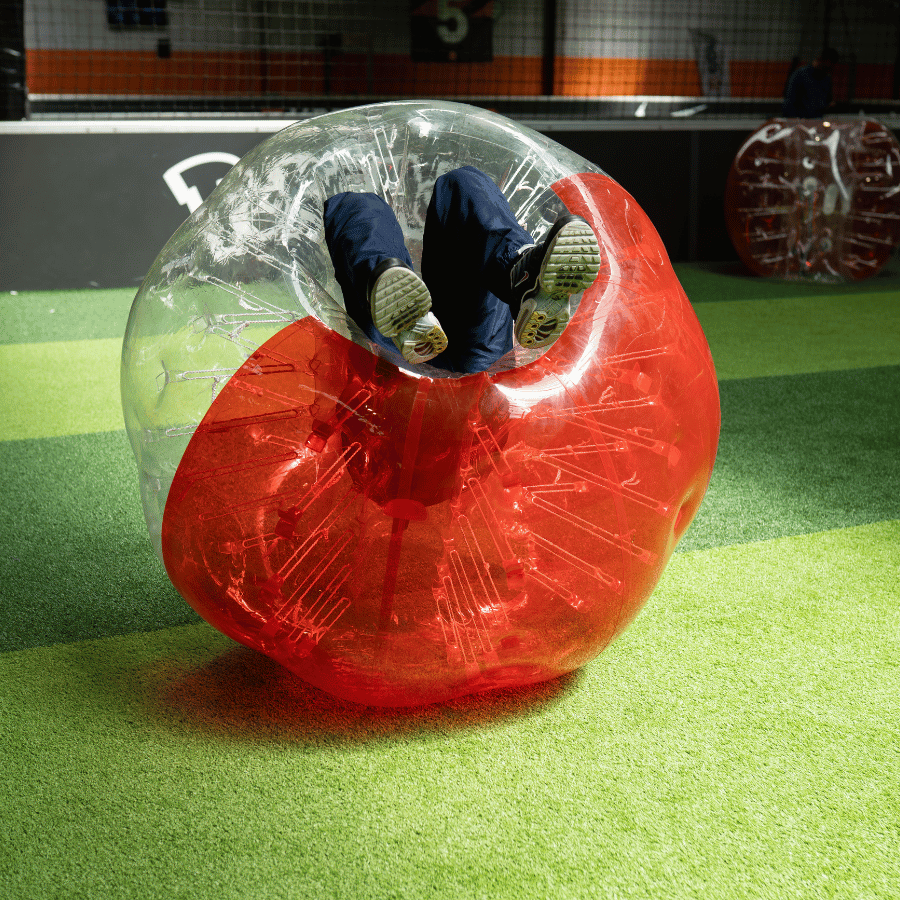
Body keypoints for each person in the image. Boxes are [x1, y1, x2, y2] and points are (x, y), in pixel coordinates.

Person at [323, 166, 602, 374]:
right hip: (468, 378)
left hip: (398, 366)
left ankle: (521, 274)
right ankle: (389, 296)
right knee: (459, 183)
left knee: (456, 185)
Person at [782, 48, 839, 118]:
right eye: (828, 66)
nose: (830, 69)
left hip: (816, 119)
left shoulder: (826, 79)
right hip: (799, 119)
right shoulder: (800, 75)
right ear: (821, 60)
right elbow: (790, 101)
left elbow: (827, 101)